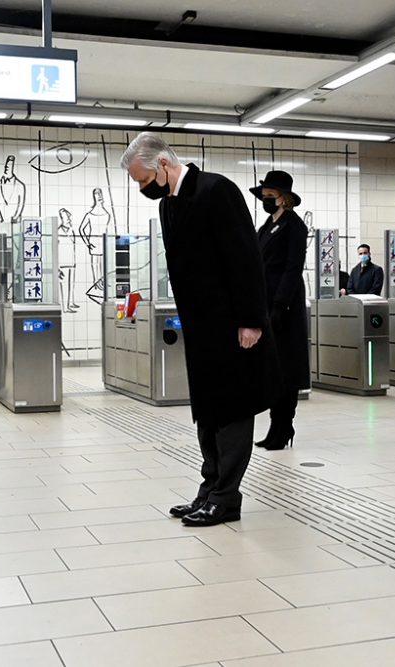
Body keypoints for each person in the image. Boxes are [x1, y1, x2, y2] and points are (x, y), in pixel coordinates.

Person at [120, 132, 279, 527]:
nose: (142, 188)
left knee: (233, 411)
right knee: (207, 412)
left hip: (232, 325)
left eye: (142, 180)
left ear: (162, 165)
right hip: (202, 326)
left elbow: (245, 259)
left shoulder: (216, 191)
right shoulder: (169, 206)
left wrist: (250, 320)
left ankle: (226, 497)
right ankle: (209, 490)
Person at [249, 171, 309, 451]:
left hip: (284, 303)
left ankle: (284, 426)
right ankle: (276, 425)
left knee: (287, 366)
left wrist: (280, 304)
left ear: (283, 198)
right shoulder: (266, 226)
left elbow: (292, 268)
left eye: (270, 196)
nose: (265, 200)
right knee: (273, 368)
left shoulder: (294, 226)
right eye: (263, 196)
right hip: (265, 299)